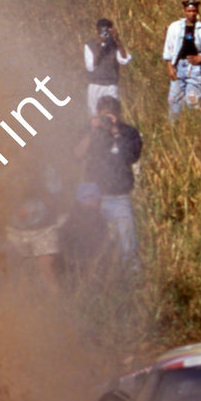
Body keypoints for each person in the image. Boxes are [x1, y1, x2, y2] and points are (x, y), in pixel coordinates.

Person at [74, 95, 143, 271]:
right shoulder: (89, 130)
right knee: (93, 239)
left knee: (127, 240)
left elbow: (131, 156)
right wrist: (92, 132)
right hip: (94, 196)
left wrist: (115, 132)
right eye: (104, 115)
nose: (107, 119)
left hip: (120, 195)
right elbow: (77, 155)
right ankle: (96, 272)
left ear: (118, 114)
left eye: (111, 115)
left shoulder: (128, 132)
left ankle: (132, 274)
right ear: (97, 114)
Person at [161, 0, 201, 118]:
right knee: (174, 99)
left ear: (197, 12)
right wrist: (170, 67)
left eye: (194, 11)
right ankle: (174, 127)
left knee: (193, 99)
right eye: (189, 11)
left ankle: (193, 123)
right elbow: (169, 48)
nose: (191, 13)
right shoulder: (175, 27)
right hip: (178, 65)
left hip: (194, 67)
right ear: (184, 11)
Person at [84, 19, 132, 116]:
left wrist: (117, 41)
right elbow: (91, 67)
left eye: (107, 30)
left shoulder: (114, 45)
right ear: (97, 31)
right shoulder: (90, 45)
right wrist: (101, 47)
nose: (105, 33)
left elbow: (125, 60)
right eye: (102, 31)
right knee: (94, 115)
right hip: (95, 85)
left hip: (111, 85)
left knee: (112, 113)